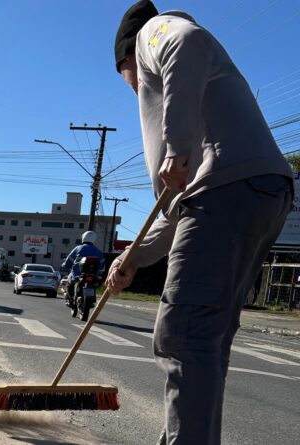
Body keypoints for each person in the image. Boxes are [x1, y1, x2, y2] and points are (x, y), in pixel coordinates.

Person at [106, 2, 294, 444]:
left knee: (184, 333)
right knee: (204, 337)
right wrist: (132, 257)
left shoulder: (154, 33)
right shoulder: (200, 114)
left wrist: (175, 144)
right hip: (256, 190)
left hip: (227, 190)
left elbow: (185, 42)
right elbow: (179, 215)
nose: (133, 91)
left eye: (128, 82)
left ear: (127, 61)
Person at [61, 231, 105, 306]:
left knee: (69, 282)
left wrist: (65, 265)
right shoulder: (99, 252)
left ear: (83, 238)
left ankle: (71, 299)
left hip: (77, 274)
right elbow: (102, 267)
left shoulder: (78, 248)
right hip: (93, 275)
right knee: (93, 285)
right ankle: (91, 299)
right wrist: (100, 273)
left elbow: (69, 260)